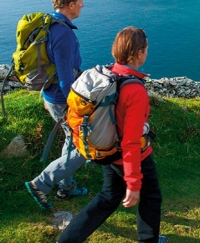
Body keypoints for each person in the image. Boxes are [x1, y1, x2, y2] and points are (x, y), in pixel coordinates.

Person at [58, 27, 166, 243]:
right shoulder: (135, 90)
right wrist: (133, 182)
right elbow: (132, 141)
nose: (147, 52)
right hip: (130, 157)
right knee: (151, 196)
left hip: (105, 150)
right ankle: (149, 240)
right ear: (139, 54)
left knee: (109, 196)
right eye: (145, 49)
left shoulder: (109, 74)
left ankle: (67, 240)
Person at [25, 0, 89, 210]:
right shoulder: (64, 34)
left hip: (52, 96)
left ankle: (67, 187)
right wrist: (75, 105)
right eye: (81, 1)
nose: (83, 5)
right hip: (63, 99)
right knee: (83, 148)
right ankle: (41, 184)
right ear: (71, 4)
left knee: (70, 140)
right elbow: (64, 76)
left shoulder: (51, 25)